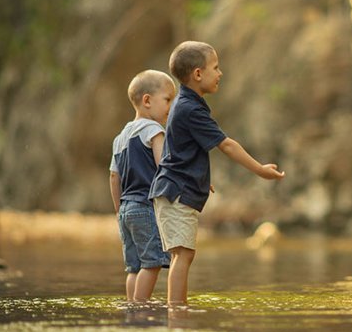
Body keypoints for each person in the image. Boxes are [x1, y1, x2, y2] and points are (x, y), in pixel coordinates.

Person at [150, 41, 285, 307]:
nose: (220, 73)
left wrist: (199, 177)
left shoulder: (184, 105)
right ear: (198, 74)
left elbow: (177, 150)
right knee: (183, 255)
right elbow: (226, 145)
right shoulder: (191, 109)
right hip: (175, 192)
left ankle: (176, 309)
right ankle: (177, 312)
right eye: (216, 67)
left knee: (182, 254)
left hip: (174, 188)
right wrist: (260, 170)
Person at [110, 69, 176, 302]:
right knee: (153, 263)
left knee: (134, 266)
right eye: (168, 99)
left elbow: (113, 177)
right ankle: (140, 307)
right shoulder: (154, 130)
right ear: (147, 101)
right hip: (145, 207)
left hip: (126, 208)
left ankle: (132, 305)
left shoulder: (120, 138)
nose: (171, 106)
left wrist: (119, 209)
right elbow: (164, 166)